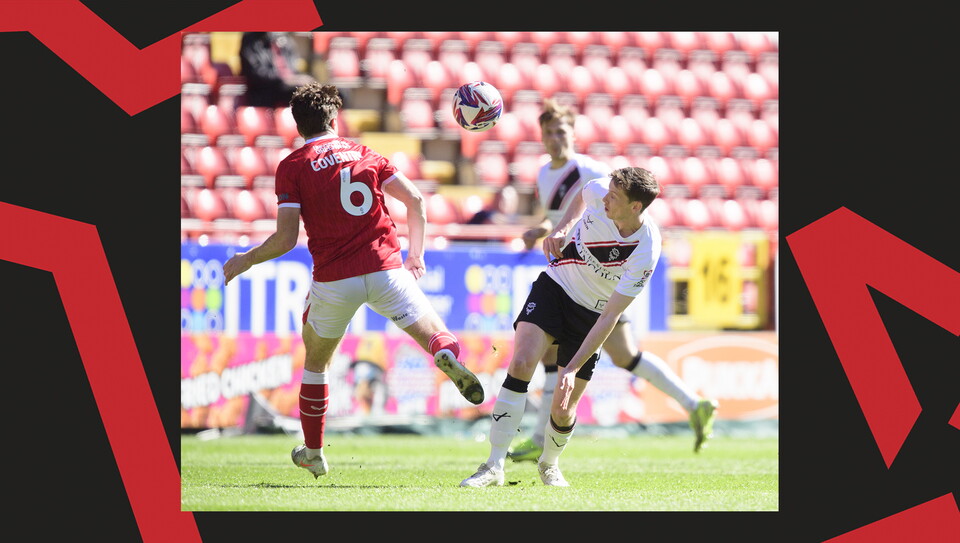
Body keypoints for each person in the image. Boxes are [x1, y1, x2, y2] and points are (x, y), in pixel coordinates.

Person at [223, 83, 484, 479]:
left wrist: (246, 259)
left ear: (299, 125)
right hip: (385, 269)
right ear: (334, 119)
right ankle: (444, 352)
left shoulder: (292, 165)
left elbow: (286, 238)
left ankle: (313, 452)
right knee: (434, 333)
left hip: (334, 280)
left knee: (316, 360)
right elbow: (416, 201)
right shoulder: (365, 153)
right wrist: (416, 254)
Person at [507, 99, 718, 463]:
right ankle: (693, 403)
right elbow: (562, 215)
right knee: (606, 356)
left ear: (573, 133)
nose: (556, 138)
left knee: (617, 355)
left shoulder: (589, 169)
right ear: (540, 136)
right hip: (576, 270)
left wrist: (563, 229)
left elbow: (606, 209)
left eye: (562, 131)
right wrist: (545, 229)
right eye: (549, 132)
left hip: (603, 275)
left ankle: (544, 438)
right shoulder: (544, 173)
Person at [460, 166, 666, 487]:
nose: (606, 198)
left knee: (563, 408)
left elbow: (609, 316)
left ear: (635, 207)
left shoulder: (646, 250)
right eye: (608, 192)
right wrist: (561, 228)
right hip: (556, 285)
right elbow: (583, 197)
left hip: (592, 314)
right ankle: (493, 465)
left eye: (615, 197)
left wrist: (571, 368)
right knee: (522, 362)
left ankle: (549, 464)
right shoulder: (600, 191)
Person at [239, 32, 316, 108]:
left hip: (286, 85)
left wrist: (298, 78)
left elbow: (293, 67)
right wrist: (285, 79)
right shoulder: (251, 41)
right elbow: (255, 73)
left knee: (312, 90)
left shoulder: (282, 38)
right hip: (265, 90)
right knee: (299, 93)